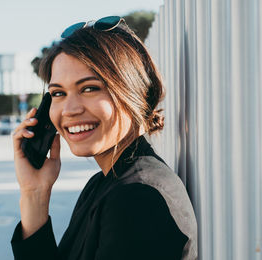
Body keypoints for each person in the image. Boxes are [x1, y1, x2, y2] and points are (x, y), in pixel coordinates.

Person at [10, 16, 197, 260]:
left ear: (133, 92)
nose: (69, 109)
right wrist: (34, 192)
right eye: (58, 93)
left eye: (89, 88)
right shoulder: (104, 184)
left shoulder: (136, 199)